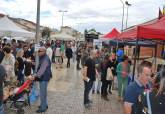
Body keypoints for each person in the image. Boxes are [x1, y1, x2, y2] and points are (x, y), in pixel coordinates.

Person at [29, 46, 52, 113]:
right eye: (38, 51)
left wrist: (34, 76)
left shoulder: (46, 59)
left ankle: (43, 108)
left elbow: (41, 71)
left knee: (42, 93)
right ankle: (44, 104)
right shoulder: (43, 57)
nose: (38, 52)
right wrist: (34, 63)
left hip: (44, 78)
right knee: (43, 92)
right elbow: (40, 65)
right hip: (43, 77)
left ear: (44, 52)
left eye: (40, 51)